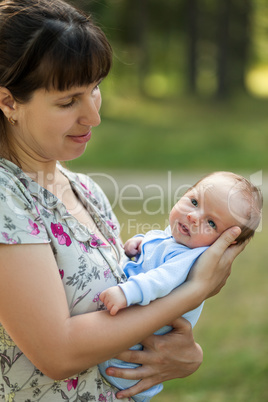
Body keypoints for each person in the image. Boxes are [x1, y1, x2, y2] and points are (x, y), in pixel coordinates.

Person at [0, 1, 247, 401]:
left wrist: (186, 354)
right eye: (68, 102)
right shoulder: (5, 197)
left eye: (94, 89)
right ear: (9, 102)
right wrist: (195, 290)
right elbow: (58, 354)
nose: (93, 116)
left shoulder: (85, 189)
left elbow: (129, 317)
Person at [99, 171, 262, 401]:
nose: (194, 217)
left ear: (223, 242)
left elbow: (161, 279)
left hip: (128, 363)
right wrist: (139, 242)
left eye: (211, 223)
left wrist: (127, 293)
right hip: (125, 339)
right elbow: (157, 243)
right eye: (194, 202)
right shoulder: (176, 238)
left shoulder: (191, 259)